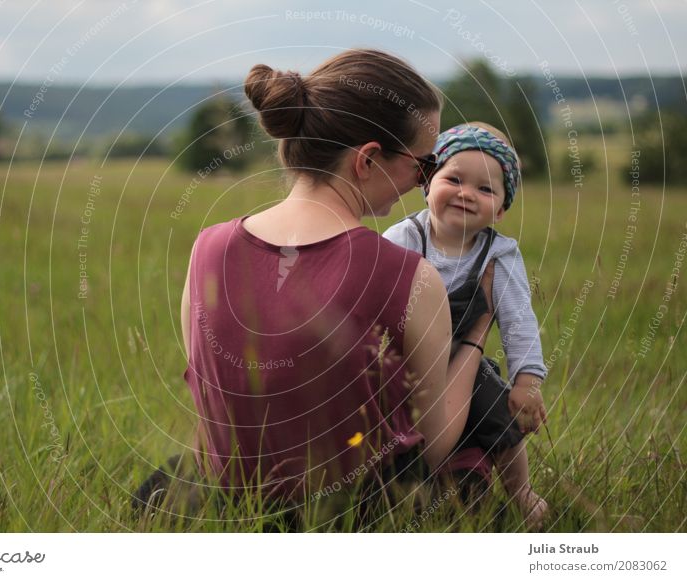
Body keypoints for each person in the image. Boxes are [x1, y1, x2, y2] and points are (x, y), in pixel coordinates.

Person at [135, 49, 496, 522]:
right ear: (367, 160)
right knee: (480, 424)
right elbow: (433, 444)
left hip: (233, 507)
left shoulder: (207, 249)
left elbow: (219, 405)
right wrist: (477, 329)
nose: (423, 187)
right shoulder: (407, 275)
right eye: (424, 167)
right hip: (353, 517)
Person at [383, 122, 549, 526]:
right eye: (453, 179)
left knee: (497, 413)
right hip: (403, 357)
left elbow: (518, 321)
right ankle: (414, 481)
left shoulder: (500, 254)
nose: (465, 193)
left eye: (485, 189)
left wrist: (527, 381)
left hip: (464, 360)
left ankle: (520, 489)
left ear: (502, 208)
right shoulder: (404, 238)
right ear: (428, 184)